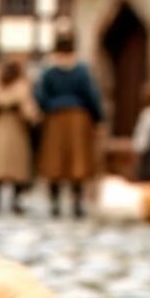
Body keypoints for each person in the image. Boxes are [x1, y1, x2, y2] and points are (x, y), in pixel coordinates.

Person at [34, 19, 104, 218]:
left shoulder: (49, 69)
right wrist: (97, 117)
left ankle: (57, 204)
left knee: (57, 160)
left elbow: (40, 94)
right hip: (77, 118)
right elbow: (91, 94)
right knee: (75, 161)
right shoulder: (80, 69)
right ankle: (76, 204)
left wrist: (48, 106)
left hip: (56, 118)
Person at [0, 59, 37, 215]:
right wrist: (34, 118)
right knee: (16, 169)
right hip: (16, 132)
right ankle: (14, 201)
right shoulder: (22, 88)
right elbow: (29, 111)